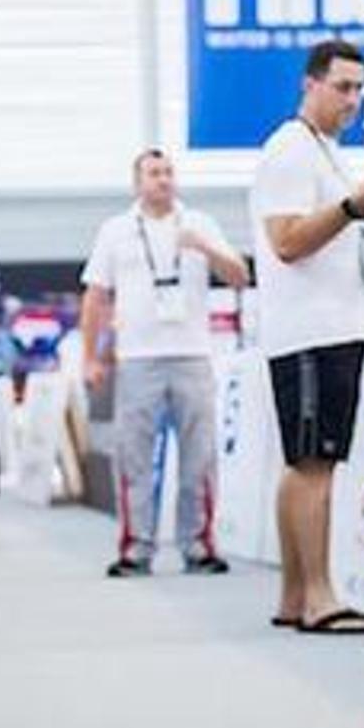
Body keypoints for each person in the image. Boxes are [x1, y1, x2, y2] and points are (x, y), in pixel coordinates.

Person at [251, 39, 364, 634]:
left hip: (331, 327)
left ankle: (293, 595)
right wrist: (353, 207)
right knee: (315, 466)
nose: (352, 100)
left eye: (359, 89)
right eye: (343, 87)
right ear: (311, 84)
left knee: (305, 464)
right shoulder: (290, 150)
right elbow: (286, 239)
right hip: (311, 332)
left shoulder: (325, 152)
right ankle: (320, 593)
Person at [80, 148, 248, 578]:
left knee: (199, 456)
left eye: (169, 172)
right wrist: (91, 357)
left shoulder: (200, 222)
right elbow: (97, 297)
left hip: (192, 354)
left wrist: (206, 248)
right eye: (154, 173)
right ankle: (136, 548)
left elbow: (239, 275)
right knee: (134, 457)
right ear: (137, 182)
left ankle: (198, 545)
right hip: (137, 357)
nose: (163, 180)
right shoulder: (116, 230)